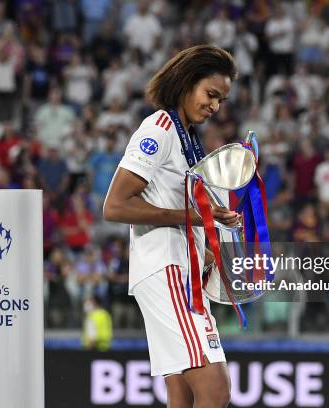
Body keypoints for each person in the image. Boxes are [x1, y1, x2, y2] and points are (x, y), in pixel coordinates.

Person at [103, 45, 238, 408]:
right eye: (211, 95)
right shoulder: (161, 128)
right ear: (186, 82)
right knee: (215, 389)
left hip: (182, 270)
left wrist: (208, 247)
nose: (215, 107)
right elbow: (115, 206)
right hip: (166, 270)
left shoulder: (188, 139)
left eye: (221, 100)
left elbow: (176, 208)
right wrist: (194, 218)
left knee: (181, 394)